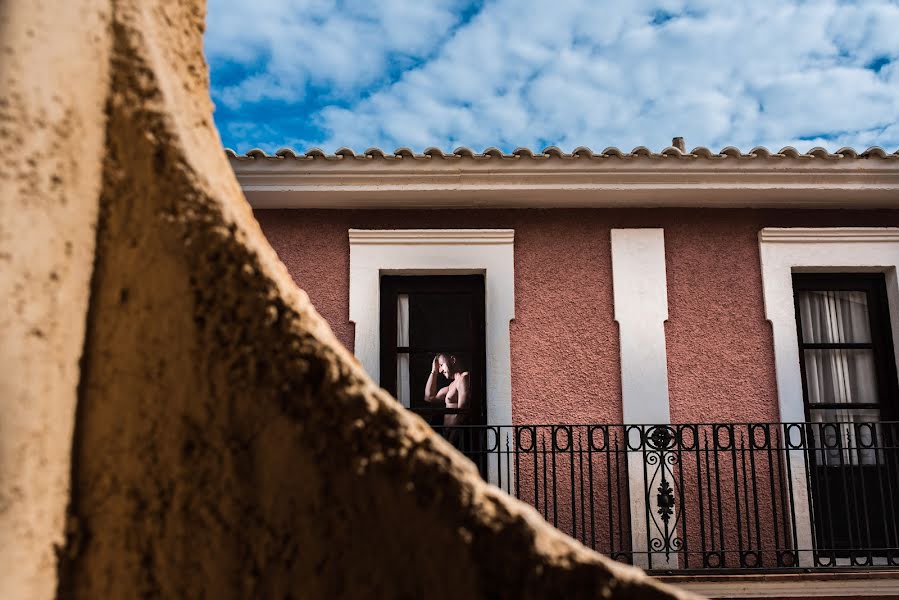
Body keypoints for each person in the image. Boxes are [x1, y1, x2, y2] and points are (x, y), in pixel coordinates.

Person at [423, 353, 470, 431]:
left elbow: (461, 414)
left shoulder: (464, 378)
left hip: (456, 437)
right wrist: (434, 371)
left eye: (441, 365)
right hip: (448, 435)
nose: (440, 370)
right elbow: (429, 397)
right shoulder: (451, 385)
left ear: (453, 360)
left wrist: (451, 439)